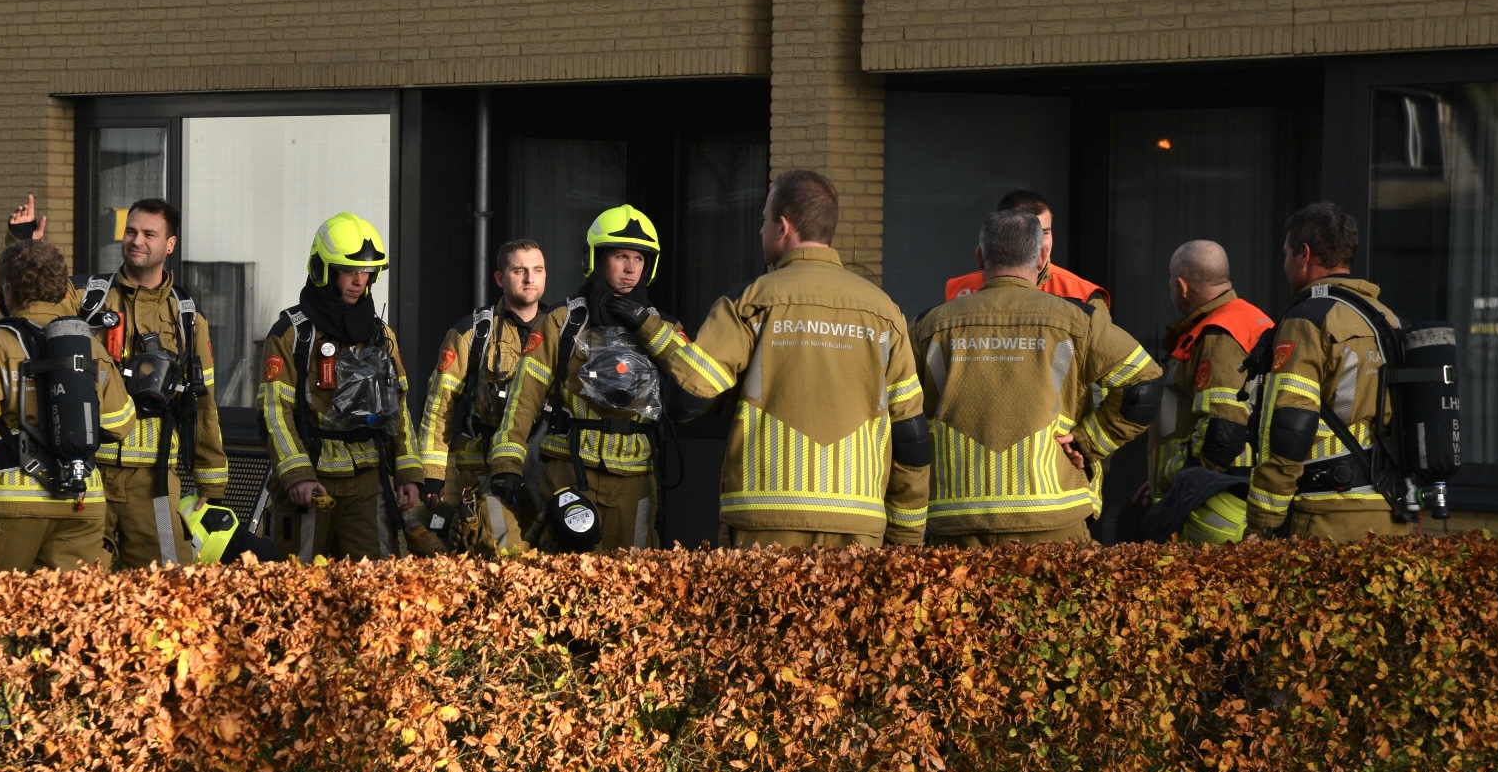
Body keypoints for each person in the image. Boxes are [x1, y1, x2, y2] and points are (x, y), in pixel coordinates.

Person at [625, 170, 930, 548]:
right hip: (858, 525)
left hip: (764, 523)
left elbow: (686, 399)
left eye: (763, 220)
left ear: (783, 227)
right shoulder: (886, 313)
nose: (760, 230)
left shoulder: (750, 302)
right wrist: (906, 538)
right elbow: (911, 438)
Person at [911, 209, 1161, 546]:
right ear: (1042, 256)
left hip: (956, 521)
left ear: (980, 257)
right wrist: (1088, 442)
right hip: (1053, 517)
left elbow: (897, 411)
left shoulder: (929, 325)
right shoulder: (1079, 321)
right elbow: (1144, 385)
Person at [8, 195, 228, 569]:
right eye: (130, 231)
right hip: (91, 475)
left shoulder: (187, 317)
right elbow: (32, 301)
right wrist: (25, 244)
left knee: (166, 584)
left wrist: (212, 484)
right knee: (81, 583)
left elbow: (203, 404)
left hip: (156, 484)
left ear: (169, 244)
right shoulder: (88, 298)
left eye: (149, 234)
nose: (136, 240)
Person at [487, 206, 690, 551]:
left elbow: (694, 378)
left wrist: (648, 328)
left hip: (635, 483)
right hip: (569, 475)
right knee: (564, 583)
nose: (630, 268)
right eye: (621, 256)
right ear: (596, 258)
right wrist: (507, 464)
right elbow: (524, 399)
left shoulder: (666, 328)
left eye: (639, 259)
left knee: (634, 580)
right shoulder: (562, 322)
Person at [0, 239, 135, 573]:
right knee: (66, 616)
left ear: (9, 290)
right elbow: (120, 423)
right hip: (82, 500)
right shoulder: (90, 347)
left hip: (11, 502)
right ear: (63, 291)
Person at [258, 213, 424, 561]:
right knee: (300, 588)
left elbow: (400, 409)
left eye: (366, 272)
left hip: (369, 482)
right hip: (312, 480)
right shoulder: (292, 334)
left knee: (377, 585)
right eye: (349, 271)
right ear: (324, 271)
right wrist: (297, 475)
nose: (359, 281)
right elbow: (275, 412)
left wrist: (409, 472)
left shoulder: (381, 335)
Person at [1245, 202, 1413, 542]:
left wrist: (1263, 521)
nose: (1284, 264)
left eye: (1286, 254)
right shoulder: (1389, 320)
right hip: (1392, 515)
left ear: (1303, 255)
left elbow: (1290, 427)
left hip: (1327, 519)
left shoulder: (1307, 319)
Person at [417, 238, 549, 552]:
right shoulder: (473, 333)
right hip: (484, 475)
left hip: (546, 473)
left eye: (538, 270)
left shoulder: (562, 331)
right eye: (519, 271)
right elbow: (439, 408)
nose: (530, 279)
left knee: (553, 561)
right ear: (500, 279)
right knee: (508, 556)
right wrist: (433, 476)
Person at [1145, 240, 1273, 498]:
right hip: (1228, 485)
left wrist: (1180, 484)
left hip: (1214, 494)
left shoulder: (1219, 335)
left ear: (1181, 286)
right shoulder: (1248, 319)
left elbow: (1223, 430)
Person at [944, 189, 1109, 307]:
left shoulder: (1083, 295)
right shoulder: (959, 289)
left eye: (1044, 233)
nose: (1037, 243)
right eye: (1026, 233)